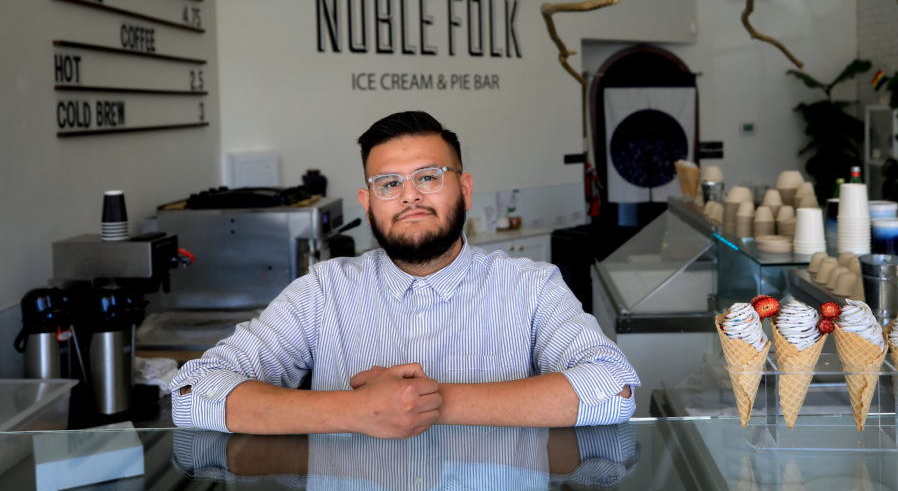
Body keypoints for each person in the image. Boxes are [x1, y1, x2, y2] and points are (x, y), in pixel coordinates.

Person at [170, 111, 639, 437]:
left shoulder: (531, 286)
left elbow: (613, 389)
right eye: (389, 184)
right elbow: (193, 394)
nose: (410, 195)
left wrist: (428, 403)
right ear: (367, 201)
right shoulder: (323, 290)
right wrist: (354, 410)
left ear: (465, 188)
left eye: (429, 176)